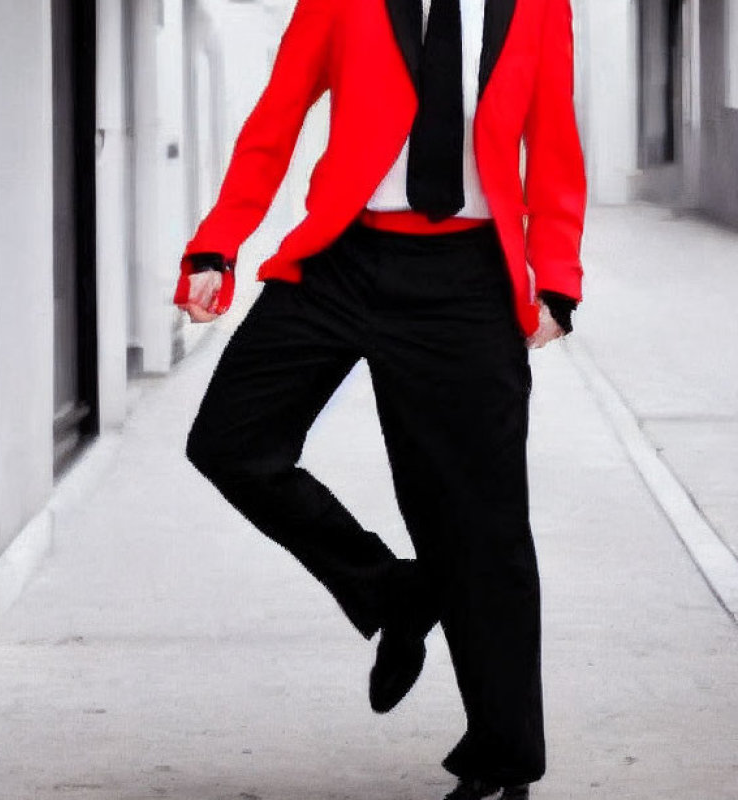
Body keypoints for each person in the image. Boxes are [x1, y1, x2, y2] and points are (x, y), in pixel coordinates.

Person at [174, 0, 587, 796]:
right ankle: (391, 589)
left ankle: (503, 758)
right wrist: (218, 242)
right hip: (345, 256)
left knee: (480, 523)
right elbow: (278, 116)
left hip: (469, 281)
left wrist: (557, 278)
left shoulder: (538, 7)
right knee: (229, 440)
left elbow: (554, 140)